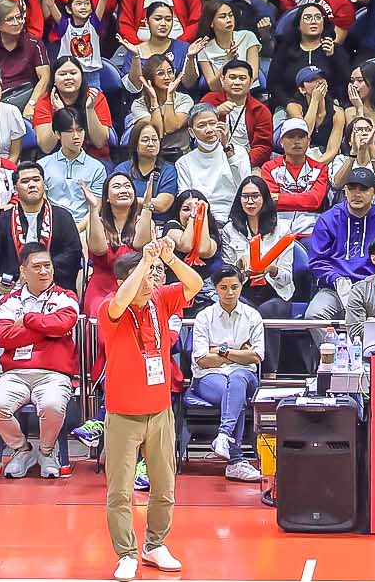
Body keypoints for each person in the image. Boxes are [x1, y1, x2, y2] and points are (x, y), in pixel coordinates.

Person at [101, 234, 204, 582]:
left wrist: (170, 259)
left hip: (160, 412)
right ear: (127, 279)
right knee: (121, 490)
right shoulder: (109, 308)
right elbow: (119, 302)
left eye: (156, 274)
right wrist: (143, 262)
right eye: (147, 274)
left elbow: (195, 283)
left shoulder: (161, 299)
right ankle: (126, 552)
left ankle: (155, 544)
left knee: (164, 486)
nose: (153, 280)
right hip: (123, 414)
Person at [0, 241, 81, 480]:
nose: (44, 272)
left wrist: (28, 319)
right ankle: (22, 449)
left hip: (54, 373)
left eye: (47, 266)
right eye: (37, 267)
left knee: (51, 405)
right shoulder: (8, 301)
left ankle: (47, 452)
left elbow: (63, 325)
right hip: (15, 374)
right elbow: (4, 336)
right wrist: (46, 328)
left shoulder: (66, 297)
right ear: (23, 271)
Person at [189, 264, 265, 481]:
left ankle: (224, 436)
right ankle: (235, 460)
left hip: (245, 376)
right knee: (233, 395)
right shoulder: (204, 317)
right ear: (215, 289)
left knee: (238, 380)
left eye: (234, 287)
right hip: (208, 377)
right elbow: (202, 360)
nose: (229, 292)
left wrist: (220, 351)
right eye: (223, 288)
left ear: (242, 286)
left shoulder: (252, 316)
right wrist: (237, 352)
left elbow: (257, 356)